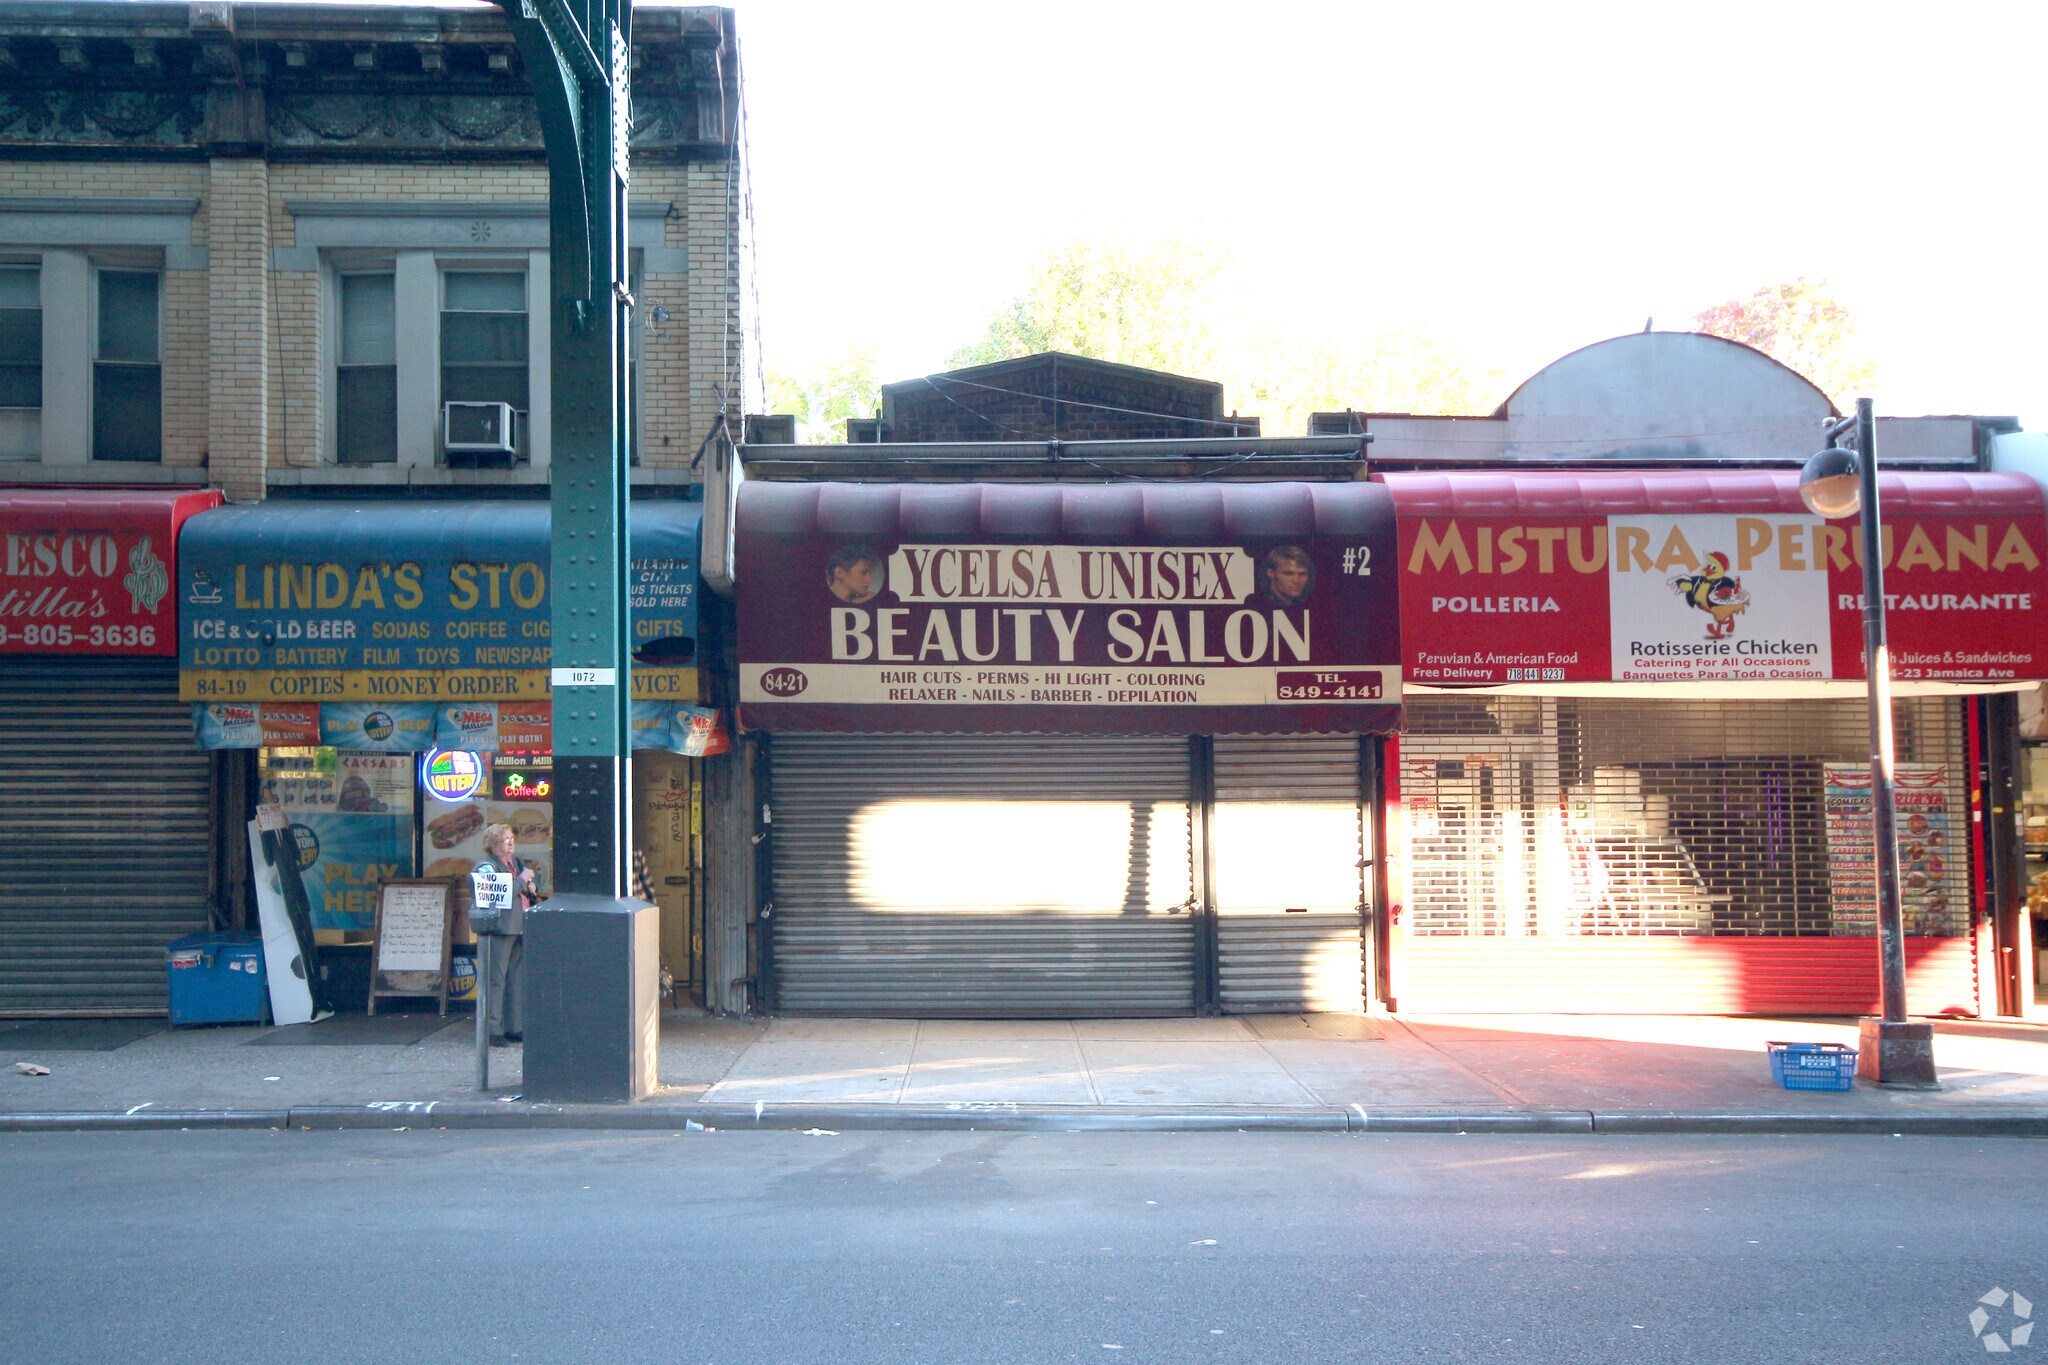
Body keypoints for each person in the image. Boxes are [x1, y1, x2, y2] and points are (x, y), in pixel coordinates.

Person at [473, 822, 537, 1046]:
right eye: (505, 840)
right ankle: (493, 1029)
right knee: (496, 980)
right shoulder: (486, 867)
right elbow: (499, 892)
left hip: (520, 925)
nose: (511, 843)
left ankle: (514, 1026)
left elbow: (524, 887)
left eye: (512, 839)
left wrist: (530, 885)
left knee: (515, 979)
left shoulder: (516, 863)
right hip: (501, 928)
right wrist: (523, 880)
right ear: (493, 845)